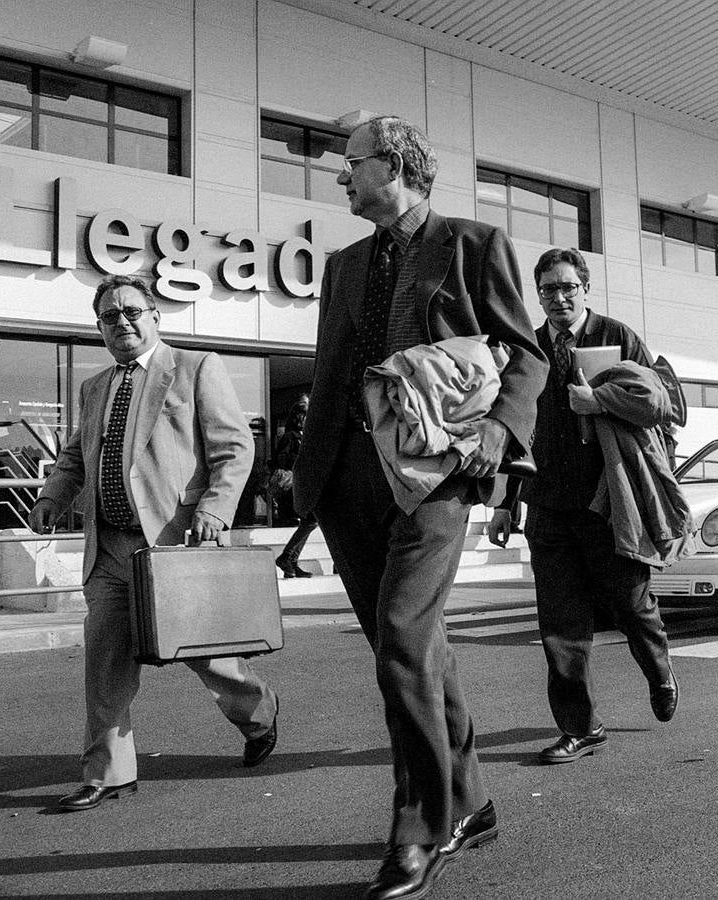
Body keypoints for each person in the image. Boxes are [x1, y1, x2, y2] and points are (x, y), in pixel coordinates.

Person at [291, 115, 545, 900]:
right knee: (416, 649)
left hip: (436, 475)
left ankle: (420, 826)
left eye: (352, 163)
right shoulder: (342, 266)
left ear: (395, 164)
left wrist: (501, 434)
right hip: (349, 481)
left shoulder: (471, 245)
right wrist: (308, 486)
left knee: (402, 638)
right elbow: (332, 375)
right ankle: (472, 804)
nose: (341, 176)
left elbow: (525, 355)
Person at [27, 274, 279, 813]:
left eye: (133, 311)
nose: (123, 322)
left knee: (209, 658)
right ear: (99, 327)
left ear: (155, 316)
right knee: (106, 665)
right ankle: (110, 773)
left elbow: (235, 447)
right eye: (110, 316)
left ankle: (258, 712)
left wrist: (215, 508)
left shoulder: (194, 368)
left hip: (175, 547)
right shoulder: (94, 387)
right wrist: (53, 497)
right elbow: (76, 456)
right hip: (111, 550)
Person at [486, 247, 680, 766]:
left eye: (568, 287)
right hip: (548, 505)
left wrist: (602, 402)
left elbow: (662, 405)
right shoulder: (527, 348)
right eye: (548, 289)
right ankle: (580, 726)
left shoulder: (618, 337)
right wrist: (505, 503)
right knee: (560, 622)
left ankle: (659, 670)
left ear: (585, 289)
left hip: (608, 503)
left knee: (632, 603)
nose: (558, 297)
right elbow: (512, 429)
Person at [270, 395, 315, 578]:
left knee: (310, 521)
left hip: (302, 484)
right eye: (305, 414)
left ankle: (290, 561)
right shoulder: (290, 437)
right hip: (292, 486)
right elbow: (281, 461)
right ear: (299, 417)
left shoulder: (305, 437)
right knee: (311, 520)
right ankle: (287, 558)